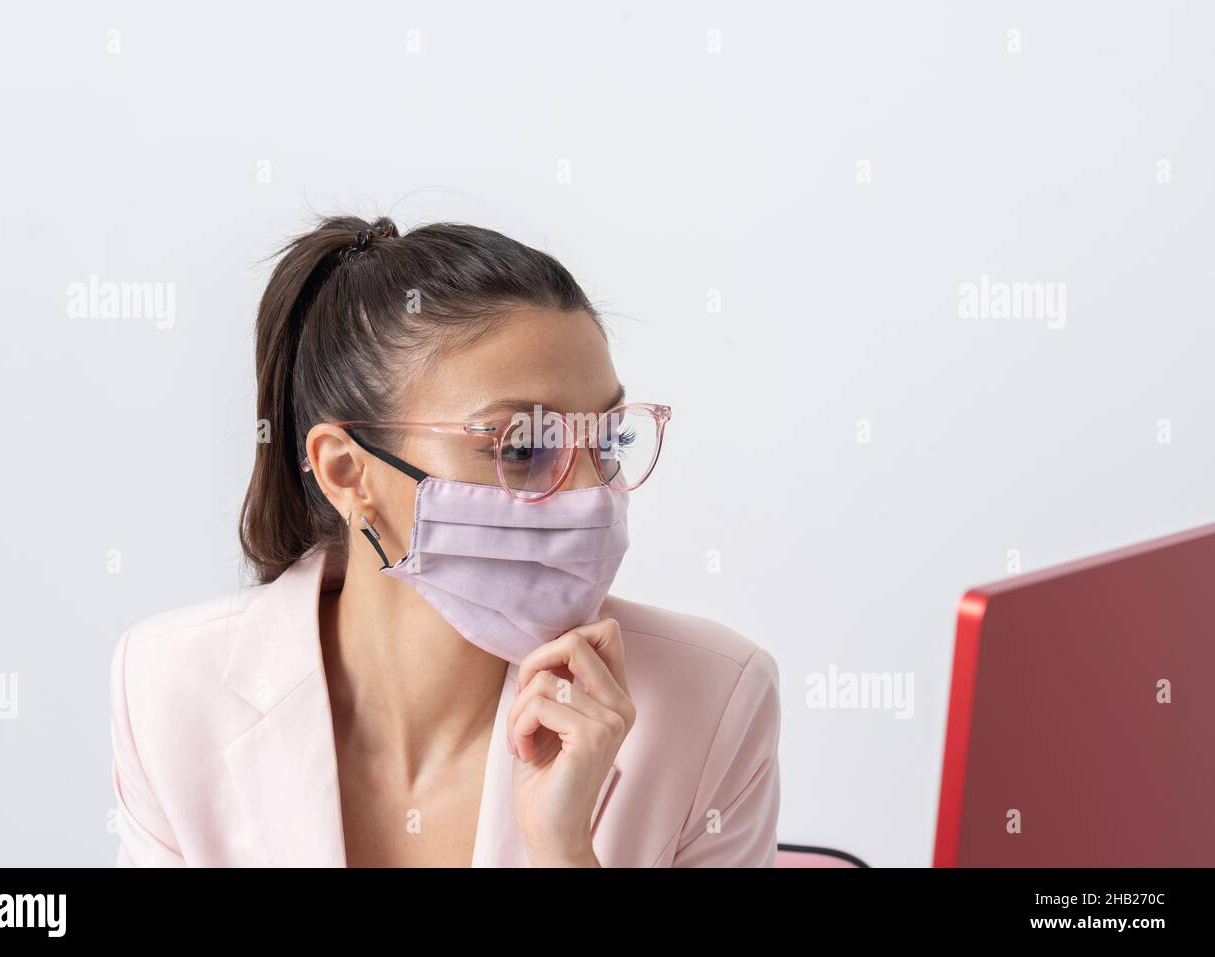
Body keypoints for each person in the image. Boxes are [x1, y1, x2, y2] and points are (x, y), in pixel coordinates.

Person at [109, 215, 780, 867]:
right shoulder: (170, 694)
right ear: (349, 471)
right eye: (522, 445)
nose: (589, 494)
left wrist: (564, 853)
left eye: (607, 440)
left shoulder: (712, 704)